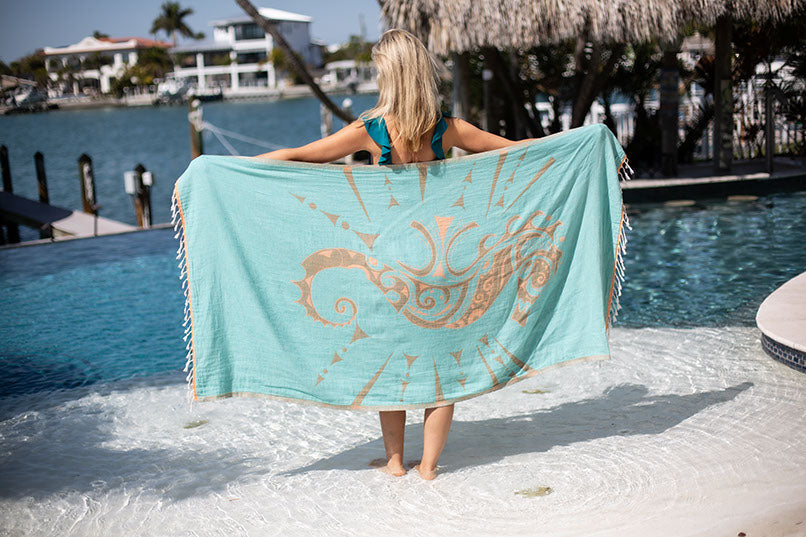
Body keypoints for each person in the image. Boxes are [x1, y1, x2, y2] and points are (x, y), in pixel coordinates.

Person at [254, 28, 527, 480]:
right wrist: (581, 145)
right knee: (442, 370)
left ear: (389, 77)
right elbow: (518, 155)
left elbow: (302, 156)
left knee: (395, 367)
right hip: (446, 265)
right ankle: (431, 468)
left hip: (389, 267)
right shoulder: (448, 129)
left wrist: (231, 168)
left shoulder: (373, 131)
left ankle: (397, 463)